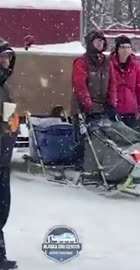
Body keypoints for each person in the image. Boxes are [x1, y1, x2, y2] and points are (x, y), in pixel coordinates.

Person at [71, 30, 117, 167]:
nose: (100, 44)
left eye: (102, 41)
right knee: (83, 139)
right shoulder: (81, 62)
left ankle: (98, 164)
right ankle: (80, 164)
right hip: (83, 107)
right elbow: (80, 85)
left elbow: (112, 83)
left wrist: (112, 102)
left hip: (102, 106)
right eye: (97, 41)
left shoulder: (107, 62)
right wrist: (88, 104)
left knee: (101, 138)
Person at [0, 38, 19, 270]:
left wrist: (13, 124)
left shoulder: (5, 84)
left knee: (3, 207)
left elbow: (8, 117)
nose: (6, 61)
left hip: (3, 156)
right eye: (2, 57)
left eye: (8, 57)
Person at [110, 35, 140, 130]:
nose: (125, 50)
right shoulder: (109, 65)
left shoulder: (136, 66)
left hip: (131, 110)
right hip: (113, 110)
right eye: (122, 47)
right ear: (117, 49)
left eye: (128, 47)